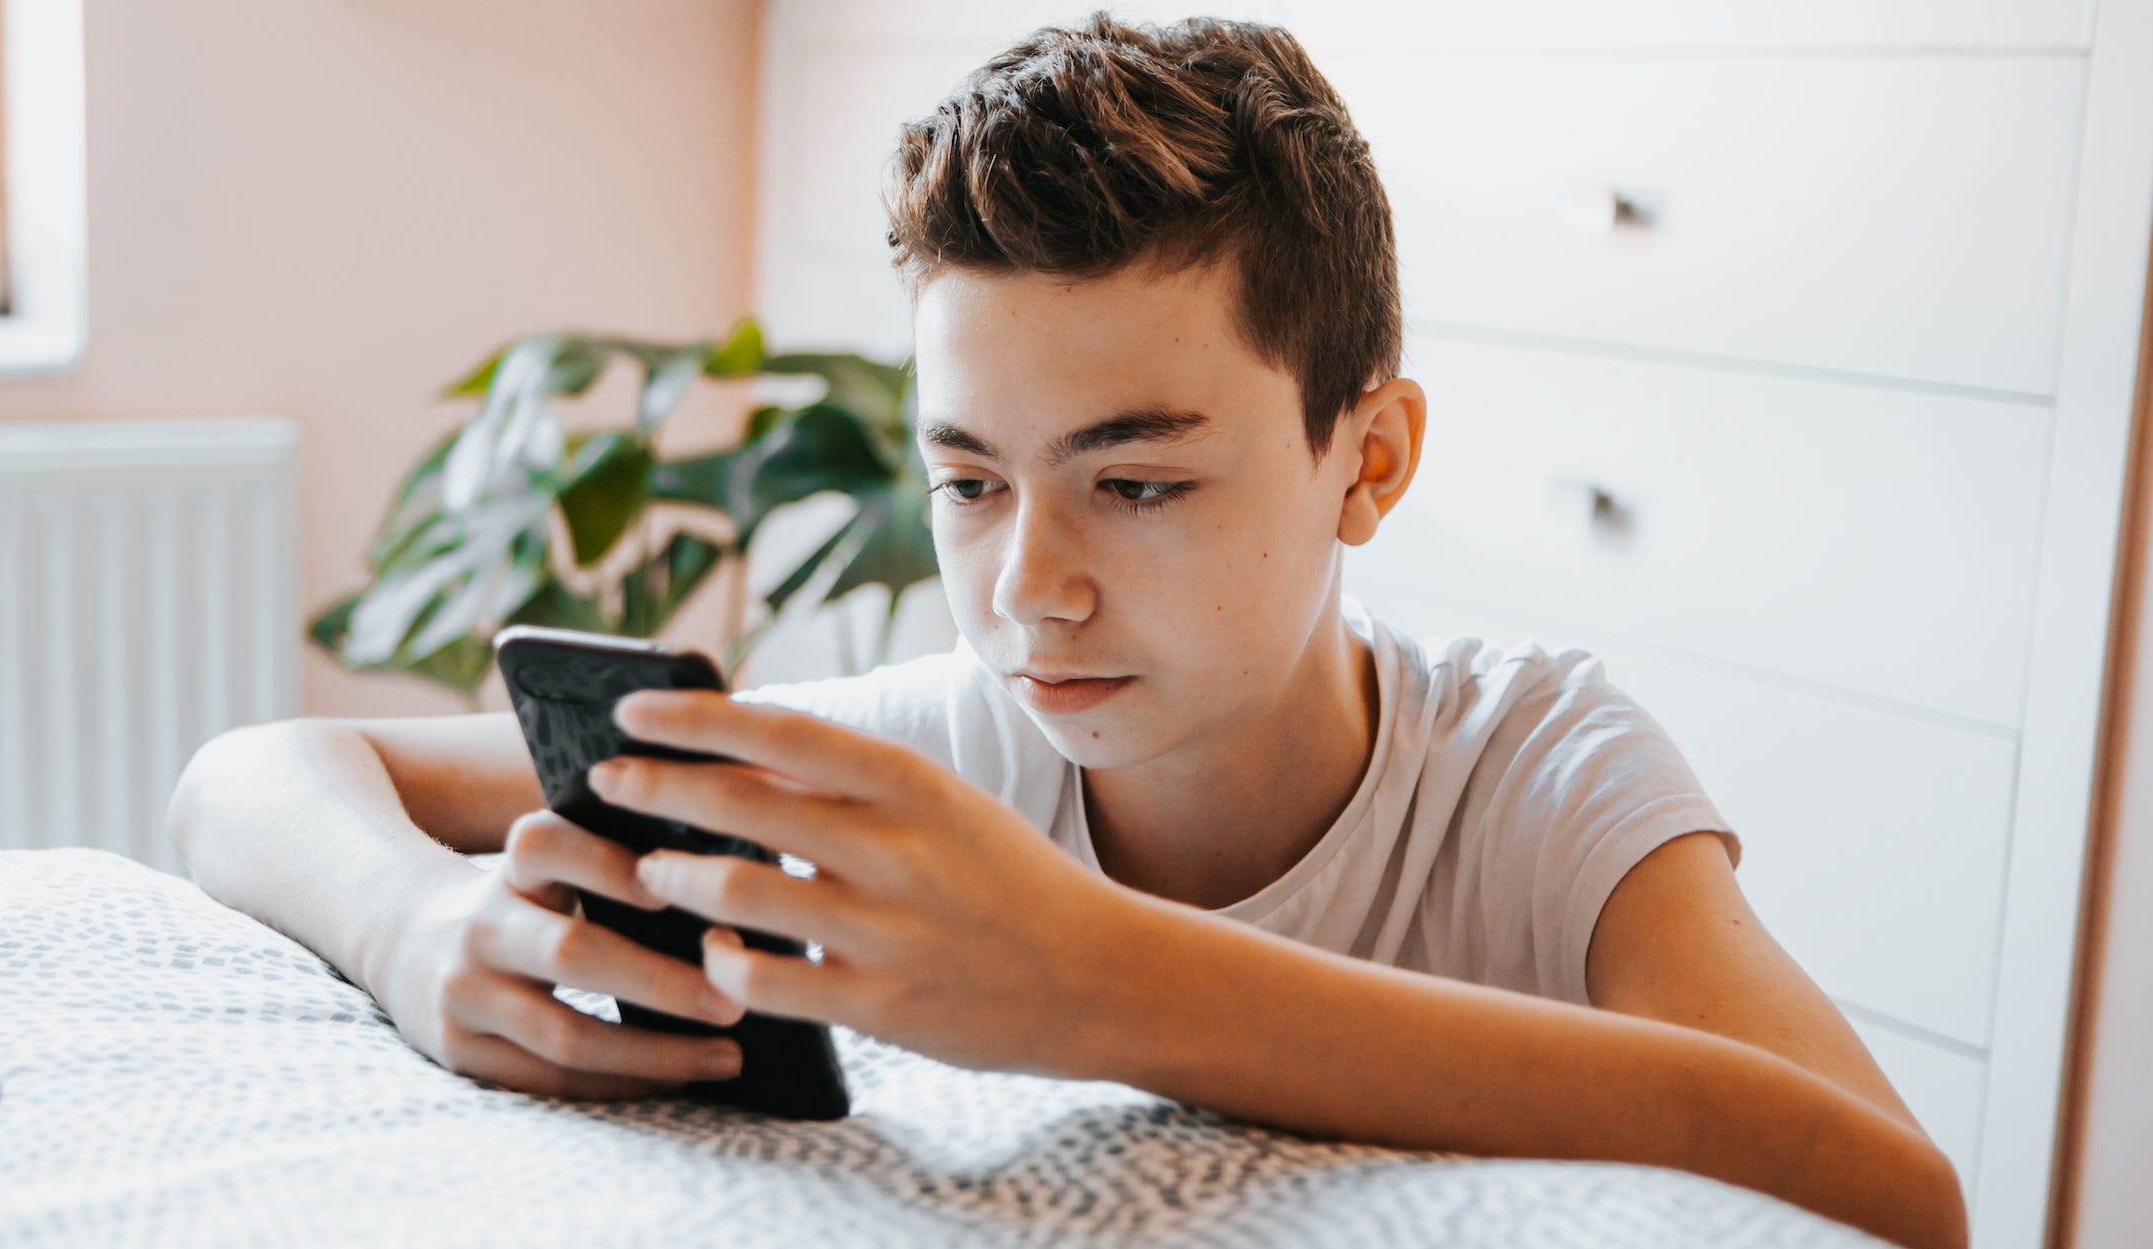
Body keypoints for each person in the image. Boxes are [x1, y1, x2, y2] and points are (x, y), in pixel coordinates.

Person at [166, 14, 1964, 1249]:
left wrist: (1095, 979)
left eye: (1141, 483)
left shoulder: (1540, 774)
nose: (1029, 586)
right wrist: (409, 923)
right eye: (968, 483)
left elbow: (1900, 1197)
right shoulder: (953, 746)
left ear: (1371, 456)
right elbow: (254, 772)